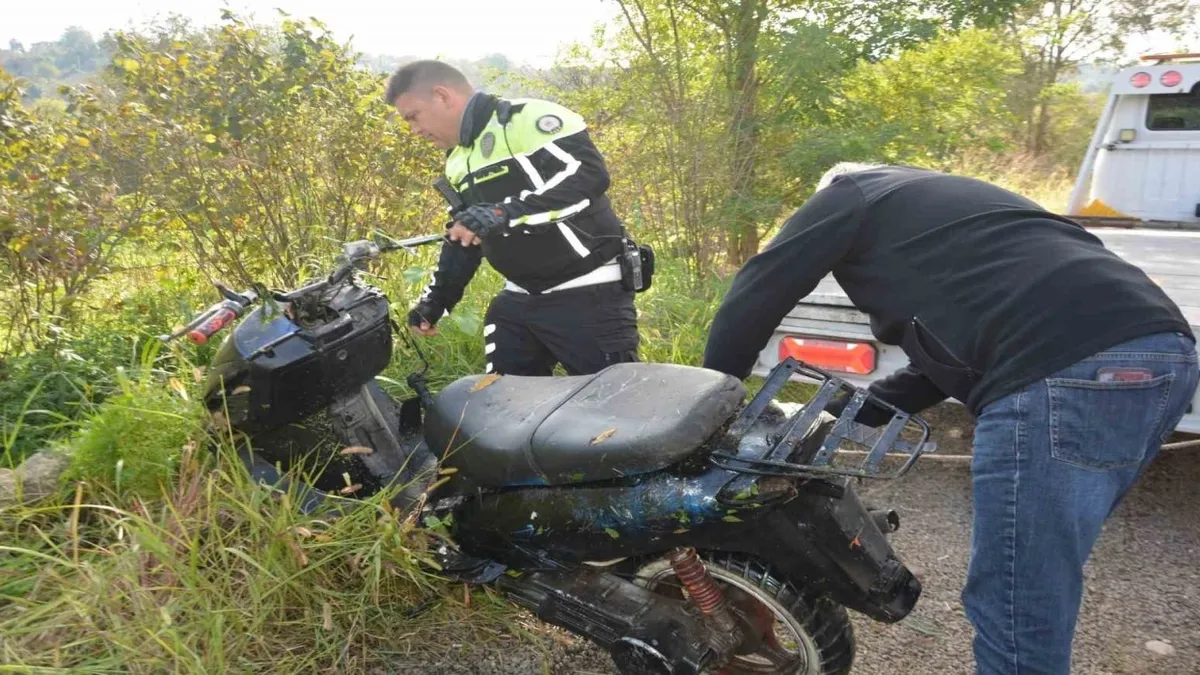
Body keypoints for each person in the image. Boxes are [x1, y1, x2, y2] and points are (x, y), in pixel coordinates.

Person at [702, 162, 1199, 675]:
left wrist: (707, 400)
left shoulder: (849, 193)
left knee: (1016, 597)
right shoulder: (962, 204)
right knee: (1042, 571)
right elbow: (938, 369)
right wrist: (833, 415)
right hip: (1167, 356)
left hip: (1060, 369)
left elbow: (760, 288)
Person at [385, 60, 639, 376]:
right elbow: (468, 234)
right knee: (503, 406)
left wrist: (503, 212)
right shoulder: (456, 160)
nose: (414, 130)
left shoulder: (526, 118)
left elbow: (589, 176)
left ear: (442, 95)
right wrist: (435, 303)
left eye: (413, 116)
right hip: (518, 300)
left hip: (589, 293)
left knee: (615, 411)